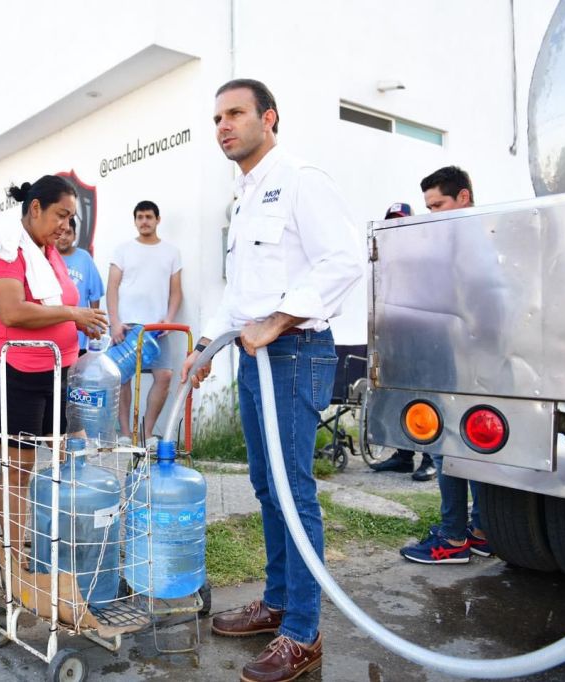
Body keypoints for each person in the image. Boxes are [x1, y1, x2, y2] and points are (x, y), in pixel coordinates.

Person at [181, 79, 362, 681]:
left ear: (269, 118)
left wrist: (279, 320)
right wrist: (208, 343)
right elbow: (240, 293)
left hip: (295, 350)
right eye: (216, 119)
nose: (222, 127)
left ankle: (303, 633)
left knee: (294, 493)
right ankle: (278, 602)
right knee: (267, 486)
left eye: (234, 114)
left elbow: (343, 259)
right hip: (255, 355)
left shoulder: (301, 180)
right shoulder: (245, 195)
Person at [0, 175, 107, 566]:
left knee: (73, 455)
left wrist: (77, 323)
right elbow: (13, 311)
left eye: (71, 218)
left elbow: (55, 306)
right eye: (60, 215)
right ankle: (11, 555)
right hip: (16, 372)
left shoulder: (45, 250)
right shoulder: (4, 250)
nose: (66, 226)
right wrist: (71, 313)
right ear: (35, 209)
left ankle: (71, 547)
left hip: (57, 372)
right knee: (19, 468)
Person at [400, 166, 492, 564]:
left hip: (460, 358)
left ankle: (453, 539)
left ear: (463, 198)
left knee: (447, 448)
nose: (431, 214)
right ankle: (483, 530)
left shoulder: (470, 244)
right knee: (475, 451)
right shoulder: (482, 239)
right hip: (473, 358)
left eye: (437, 205)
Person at [369, 202, 437, 482]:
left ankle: (431, 458)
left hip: (427, 339)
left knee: (427, 398)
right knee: (399, 395)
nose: (396, 225)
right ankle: (403, 456)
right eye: (392, 221)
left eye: (401, 220)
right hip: (395, 338)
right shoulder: (386, 262)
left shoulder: (426, 256)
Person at [107, 200, 182, 440]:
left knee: (165, 376)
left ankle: (147, 433)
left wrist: (169, 320)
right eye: (139, 217)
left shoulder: (171, 252)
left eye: (149, 217)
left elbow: (176, 291)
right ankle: (127, 434)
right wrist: (115, 322)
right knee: (123, 378)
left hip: (158, 329)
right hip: (128, 326)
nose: (144, 222)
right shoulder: (123, 249)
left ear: (158, 220)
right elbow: (112, 287)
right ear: (135, 221)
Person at [55, 216, 105, 353]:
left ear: (75, 235)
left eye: (68, 233)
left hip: (80, 333)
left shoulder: (84, 258)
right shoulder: (47, 257)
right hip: (54, 331)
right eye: (61, 233)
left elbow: (94, 294)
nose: (64, 237)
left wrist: (94, 325)